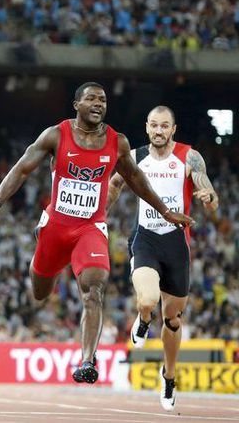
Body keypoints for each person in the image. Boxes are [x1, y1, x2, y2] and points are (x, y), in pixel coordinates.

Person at [0, 82, 194, 384]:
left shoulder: (118, 142)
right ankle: (45, 253)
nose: (98, 103)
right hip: (56, 227)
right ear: (77, 105)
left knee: (94, 289)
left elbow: (137, 179)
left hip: (90, 227)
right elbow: (22, 168)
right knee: (40, 293)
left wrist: (165, 211)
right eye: (91, 99)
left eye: (102, 99)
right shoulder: (55, 135)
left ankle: (87, 360)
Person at [107, 105, 218, 411]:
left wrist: (208, 197)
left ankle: (168, 375)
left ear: (173, 129)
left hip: (177, 245)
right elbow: (114, 186)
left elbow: (205, 185)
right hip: (146, 239)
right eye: (153, 125)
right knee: (146, 300)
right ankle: (143, 319)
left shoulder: (188, 156)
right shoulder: (135, 158)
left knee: (172, 318)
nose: (158, 131)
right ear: (147, 128)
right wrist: (99, 215)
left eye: (164, 126)